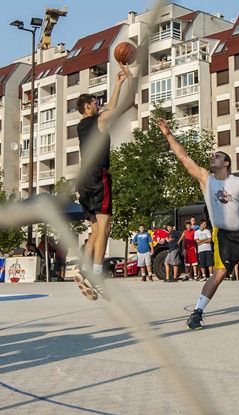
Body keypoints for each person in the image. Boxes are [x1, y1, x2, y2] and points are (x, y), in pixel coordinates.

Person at [157, 119, 239, 329]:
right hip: (224, 236)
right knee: (219, 274)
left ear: (227, 163)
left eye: (217, 157)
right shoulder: (206, 179)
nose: (213, 158)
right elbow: (183, 157)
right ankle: (197, 312)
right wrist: (168, 134)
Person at [73, 63, 134, 301]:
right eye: (95, 103)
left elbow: (110, 106)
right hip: (99, 177)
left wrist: (117, 82)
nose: (99, 105)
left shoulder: (81, 125)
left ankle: (82, 269)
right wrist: (127, 80)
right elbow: (115, 108)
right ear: (88, 106)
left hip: (83, 181)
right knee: (105, 227)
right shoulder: (98, 121)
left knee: (95, 231)